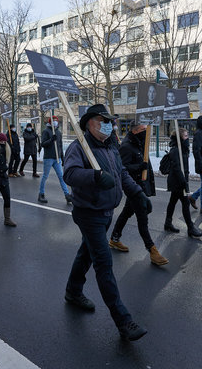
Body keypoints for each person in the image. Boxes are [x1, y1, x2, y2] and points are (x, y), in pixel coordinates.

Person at [63, 104, 151, 341]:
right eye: (103, 120)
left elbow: (121, 175)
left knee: (87, 253)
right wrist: (95, 176)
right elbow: (69, 174)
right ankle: (123, 320)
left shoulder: (111, 147)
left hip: (106, 212)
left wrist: (137, 194)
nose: (108, 124)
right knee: (103, 262)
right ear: (90, 123)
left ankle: (73, 291)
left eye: (110, 121)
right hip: (88, 213)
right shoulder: (79, 147)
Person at [108, 123, 168, 265]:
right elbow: (122, 169)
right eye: (143, 130)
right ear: (135, 131)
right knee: (143, 220)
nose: (146, 132)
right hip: (134, 188)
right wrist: (139, 167)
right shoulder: (127, 146)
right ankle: (152, 250)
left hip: (139, 186)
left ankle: (114, 239)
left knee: (126, 213)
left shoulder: (140, 143)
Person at [164, 128, 202, 237]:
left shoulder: (182, 149)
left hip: (179, 180)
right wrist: (184, 183)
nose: (188, 138)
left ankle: (167, 223)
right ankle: (190, 228)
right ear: (179, 138)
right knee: (185, 203)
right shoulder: (176, 150)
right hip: (178, 181)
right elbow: (177, 168)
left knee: (172, 202)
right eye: (185, 136)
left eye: (187, 135)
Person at [38, 116, 72, 205]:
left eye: (56, 121)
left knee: (61, 177)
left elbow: (60, 146)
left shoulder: (58, 132)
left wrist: (63, 158)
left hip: (57, 159)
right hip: (48, 157)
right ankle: (41, 194)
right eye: (54, 121)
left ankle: (67, 195)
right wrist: (51, 140)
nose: (56, 122)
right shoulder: (46, 131)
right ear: (50, 122)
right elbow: (43, 144)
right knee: (45, 176)